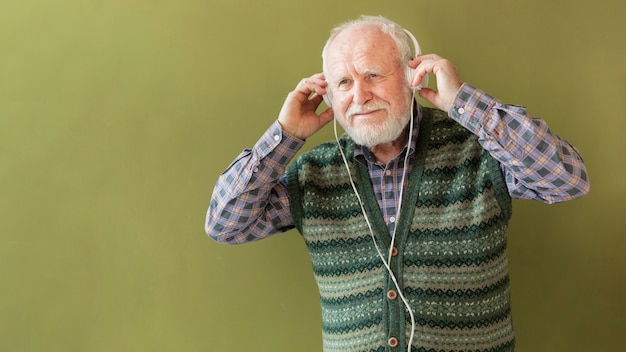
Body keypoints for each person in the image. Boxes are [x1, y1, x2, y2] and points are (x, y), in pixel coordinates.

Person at [205, 15, 590, 352]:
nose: (360, 95)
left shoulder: (480, 149)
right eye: (343, 82)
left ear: (412, 73)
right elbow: (225, 224)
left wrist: (464, 104)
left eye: (373, 74)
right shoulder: (313, 173)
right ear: (330, 97)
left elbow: (567, 179)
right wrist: (285, 134)